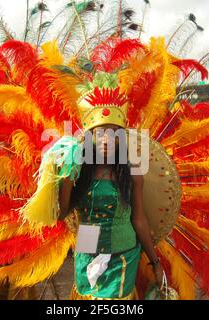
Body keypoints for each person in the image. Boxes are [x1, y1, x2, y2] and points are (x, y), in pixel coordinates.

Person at [57, 88, 164, 300]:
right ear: (90, 137)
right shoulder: (78, 170)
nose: (107, 139)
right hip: (87, 248)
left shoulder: (132, 173)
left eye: (114, 132)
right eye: (100, 132)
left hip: (122, 254)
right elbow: (61, 214)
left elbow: (139, 219)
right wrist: (66, 180)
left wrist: (155, 262)